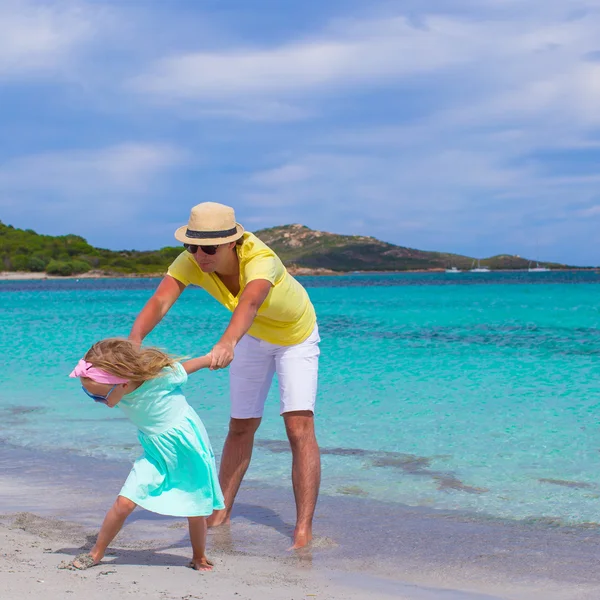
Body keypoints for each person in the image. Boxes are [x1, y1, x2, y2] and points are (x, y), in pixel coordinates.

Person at [129, 202, 321, 549]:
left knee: (298, 426)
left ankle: (303, 529)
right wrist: (134, 341)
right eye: (192, 246)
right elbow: (160, 301)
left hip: (295, 336)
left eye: (209, 248)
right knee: (241, 425)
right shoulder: (190, 261)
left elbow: (249, 303)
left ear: (232, 242)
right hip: (252, 336)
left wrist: (227, 342)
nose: (199, 255)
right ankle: (220, 512)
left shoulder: (260, 260)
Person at [64, 338, 224, 571]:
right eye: (91, 396)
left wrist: (212, 358)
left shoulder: (161, 379)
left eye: (99, 396)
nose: (98, 402)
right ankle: (96, 552)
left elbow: (188, 367)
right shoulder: (117, 388)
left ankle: (199, 556)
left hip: (188, 448)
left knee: (195, 505)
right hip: (155, 452)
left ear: (124, 385)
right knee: (124, 502)